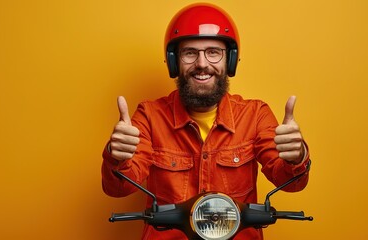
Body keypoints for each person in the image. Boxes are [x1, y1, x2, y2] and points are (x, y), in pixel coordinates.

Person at [101, 3, 310, 240]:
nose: (202, 64)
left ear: (229, 61)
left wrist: (297, 156)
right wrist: (116, 157)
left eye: (213, 52)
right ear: (173, 62)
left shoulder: (255, 114)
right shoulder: (149, 115)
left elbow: (291, 183)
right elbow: (117, 189)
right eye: (190, 53)